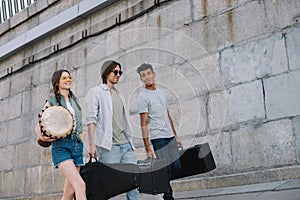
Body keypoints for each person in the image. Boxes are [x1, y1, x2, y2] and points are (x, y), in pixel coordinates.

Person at [85, 60, 139, 200]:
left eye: (120, 72)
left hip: (126, 145)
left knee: (134, 184)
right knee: (108, 186)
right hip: (109, 147)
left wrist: (130, 143)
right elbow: (91, 119)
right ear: (106, 72)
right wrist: (92, 145)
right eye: (115, 72)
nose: (118, 75)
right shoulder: (96, 92)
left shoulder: (119, 94)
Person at [36, 69, 86, 200]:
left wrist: (82, 140)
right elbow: (39, 124)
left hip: (77, 146)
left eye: (69, 77)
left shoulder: (74, 101)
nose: (68, 80)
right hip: (61, 146)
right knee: (80, 185)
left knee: (69, 192)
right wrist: (43, 137)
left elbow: (80, 126)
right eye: (64, 78)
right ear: (57, 82)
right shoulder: (52, 101)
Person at [137, 63, 182, 200]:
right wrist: (147, 148)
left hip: (170, 136)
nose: (147, 77)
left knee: (177, 166)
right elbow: (144, 123)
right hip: (158, 137)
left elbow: (167, 115)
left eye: (148, 73)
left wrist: (176, 135)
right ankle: (168, 196)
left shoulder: (161, 93)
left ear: (154, 74)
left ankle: (159, 184)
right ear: (141, 79)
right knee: (166, 168)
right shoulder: (143, 97)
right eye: (143, 75)